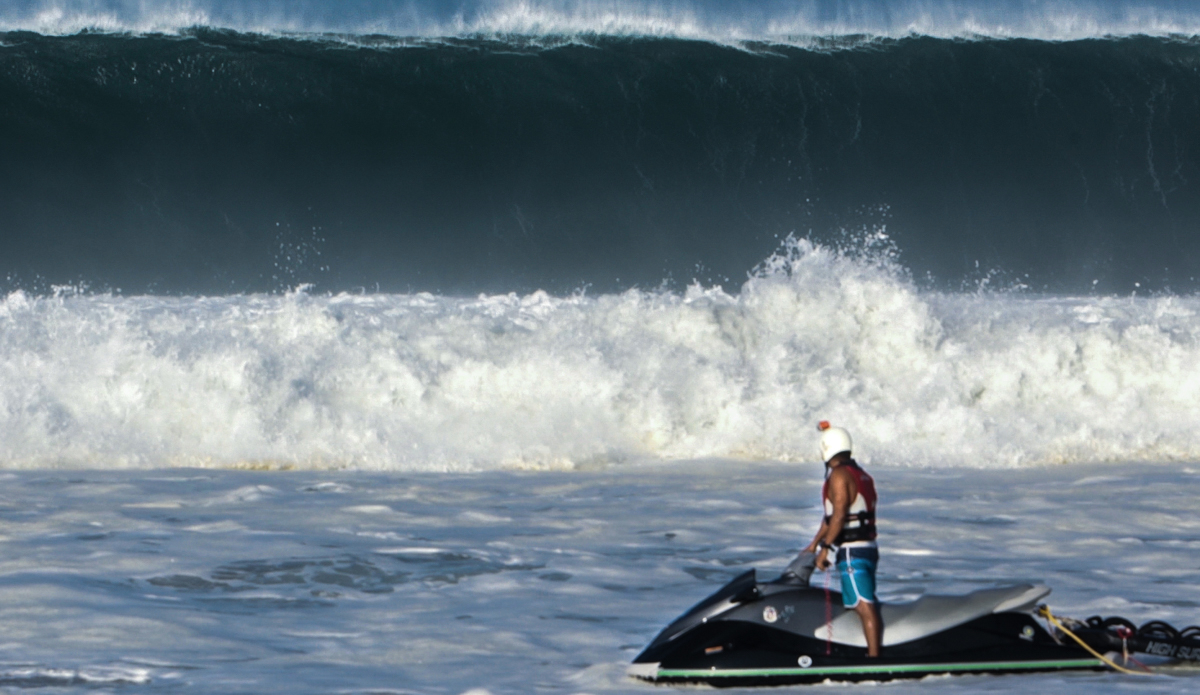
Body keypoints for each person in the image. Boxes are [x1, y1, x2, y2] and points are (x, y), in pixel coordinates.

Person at [803, 421, 883, 657]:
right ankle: (871, 650)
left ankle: (874, 661)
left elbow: (838, 515)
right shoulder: (860, 475)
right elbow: (830, 518)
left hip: (851, 552)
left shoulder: (839, 475)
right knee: (865, 600)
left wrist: (826, 548)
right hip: (868, 548)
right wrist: (814, 544)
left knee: (863, 605)